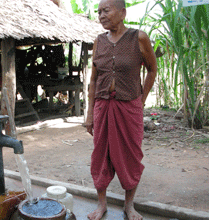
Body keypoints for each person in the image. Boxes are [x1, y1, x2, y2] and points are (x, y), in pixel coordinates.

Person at [85, 0, 157, 219]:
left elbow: (152, 70)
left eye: (106, 10)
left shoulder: (139, 38)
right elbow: (94, 79)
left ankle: (129, 205)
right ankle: (102, 204)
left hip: (129, 108)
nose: (101, 15)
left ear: (123, 12)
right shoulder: (99, 41)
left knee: (131, 156)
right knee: (101, 155)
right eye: (98, 12)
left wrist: (141, 100)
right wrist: (89, 114)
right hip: (102, 106)